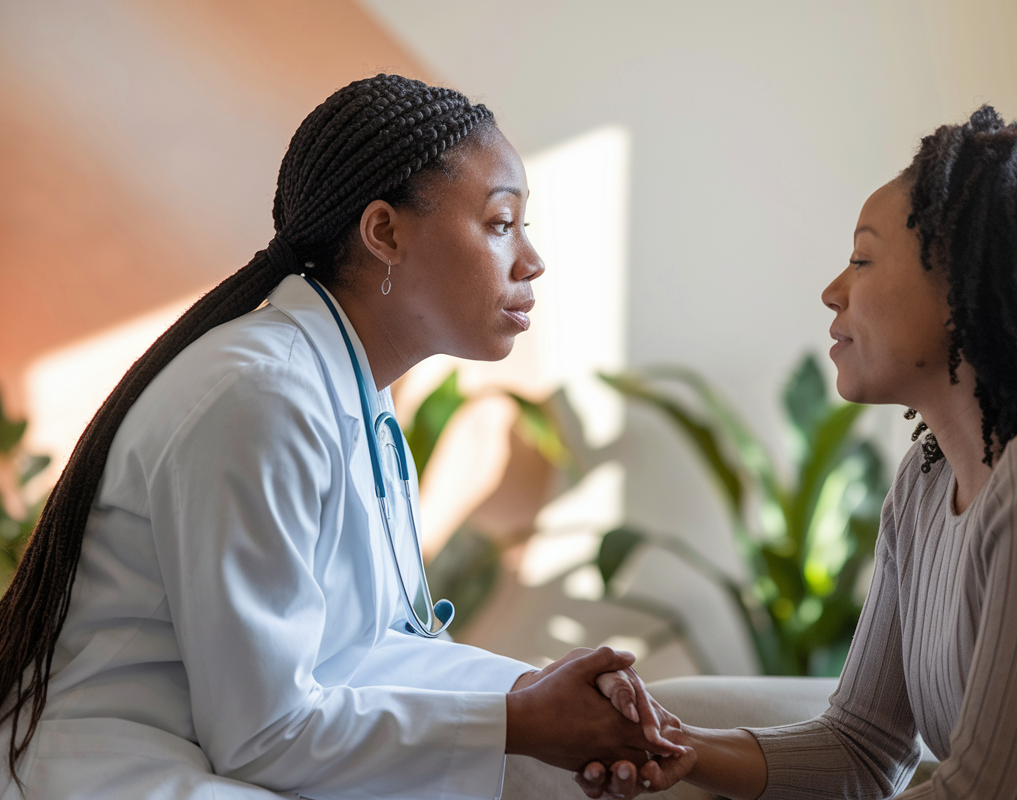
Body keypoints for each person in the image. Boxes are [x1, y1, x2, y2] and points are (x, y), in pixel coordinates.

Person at [0, 74, 684, 800]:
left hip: (212, 751)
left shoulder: (349, 391)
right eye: (500, 223)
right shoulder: (261, 398)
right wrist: (518, 722)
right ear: (385, 232)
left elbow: (364, 656)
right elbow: (263, 736)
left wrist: (542, 692)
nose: (532, 261)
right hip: (120, 770)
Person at [577, 107, 1017, 799]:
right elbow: (860, 748)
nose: (832, 291)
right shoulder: (927, 477)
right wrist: (681, 746)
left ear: (965, 282)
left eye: (861, 258)